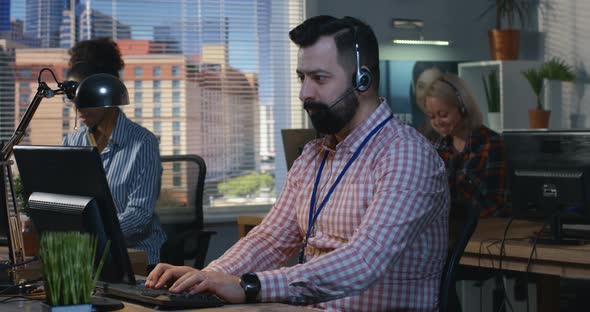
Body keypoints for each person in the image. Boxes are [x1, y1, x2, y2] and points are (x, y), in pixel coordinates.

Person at [146, 16, 449, 310]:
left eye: (319, 78)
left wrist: (248, 286)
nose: (305, 93)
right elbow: (271, 239)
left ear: (363, 79)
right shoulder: (313, 156)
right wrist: (208, 278)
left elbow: (364, 260)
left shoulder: (406, 156)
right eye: (301, 78)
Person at [62, 38, 166, 266]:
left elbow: (139, 216)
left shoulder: (142, 143)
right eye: (74, 97)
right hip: (84, 256)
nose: (78, 107)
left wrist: (92, 234)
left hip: (134, 258)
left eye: (87, 97)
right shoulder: (72, 141)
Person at [422, 73, 505, 241]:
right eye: (432, 117)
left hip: (485, 237)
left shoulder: (491, 144)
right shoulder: (433, 146)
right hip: (442, 237)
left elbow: (496, 205)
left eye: (443, 114)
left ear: (463, 107)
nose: (438, 122)